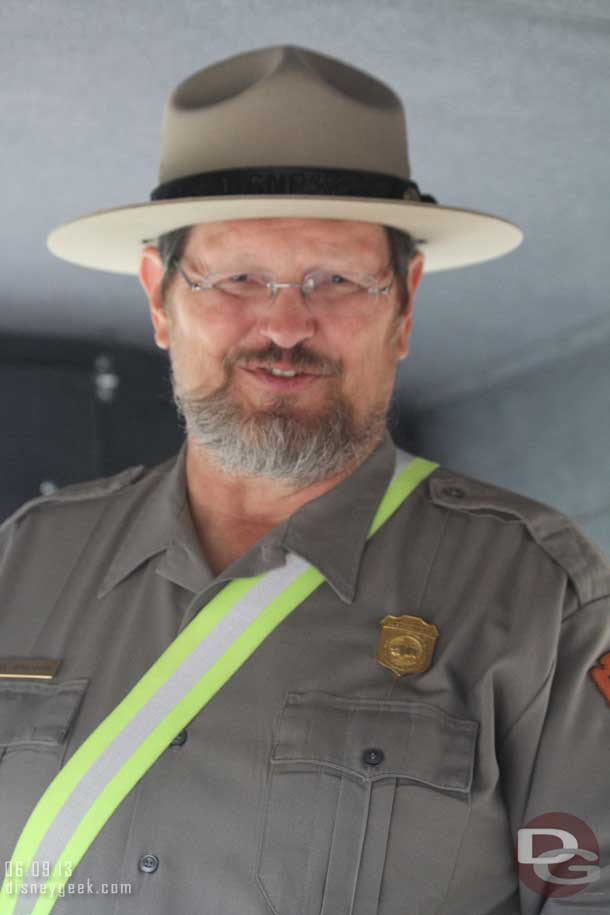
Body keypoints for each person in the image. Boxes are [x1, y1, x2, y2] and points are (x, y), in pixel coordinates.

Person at [1, 44, 609, 915]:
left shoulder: (537, 594)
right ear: (158, 299)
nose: (286, 325)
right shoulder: (27, 558)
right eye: (239, 277)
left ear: (404, 308)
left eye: (336, 279)